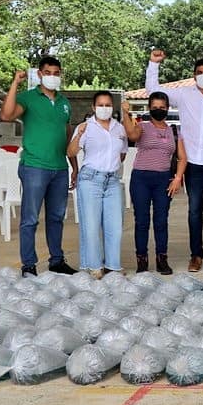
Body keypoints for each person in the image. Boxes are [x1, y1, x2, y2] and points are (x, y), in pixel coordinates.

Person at [145, 49, 203, 272]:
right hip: (194, 163)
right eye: (199, 72)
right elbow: (154, 91)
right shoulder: (184, 94)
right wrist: (153, 64)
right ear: (194, 75)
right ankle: (196, 255)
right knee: (194, 211)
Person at [0, 58, 79, 277]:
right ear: (40, 74)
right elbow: (6, 115)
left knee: (56, 217)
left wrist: (74, 166)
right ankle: (28, 264)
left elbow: (67, 135)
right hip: (35, 166)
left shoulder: (64, 102)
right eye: (48, 72)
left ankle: (56, 260)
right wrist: (15, 83)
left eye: (56, 72)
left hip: (59, 168)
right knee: (30, 218)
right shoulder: (28, 98)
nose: (52, 76)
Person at [121, 93, 185, 274]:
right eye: (155, 107)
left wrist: (178, 178)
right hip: (141, 178)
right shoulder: (142, 126)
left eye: (162, 107)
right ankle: (142, 259)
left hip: (163, 180)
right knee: (141, 221)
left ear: (167, 109)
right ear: (150, 108)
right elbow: (132, 135)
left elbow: (182, 157)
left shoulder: (174, 131)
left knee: (161, 220)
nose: (159, 110)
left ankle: (161, 259)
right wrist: (126, 114)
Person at [67, 91, 126, 277]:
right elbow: (71, 152)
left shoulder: (119, 128)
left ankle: (113, 266)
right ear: (93, 107)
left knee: (115, 227)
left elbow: (122, 152)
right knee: (91, 226)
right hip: (90, 180)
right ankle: (94, 266)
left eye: (108, 105)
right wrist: (79, 135)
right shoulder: (86, 127)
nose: (104, 108)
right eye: (100, 105)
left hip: (113, 181)